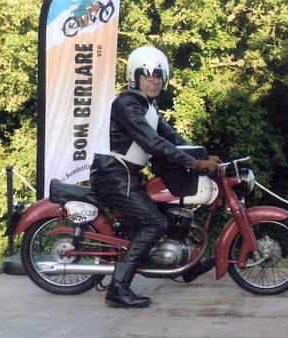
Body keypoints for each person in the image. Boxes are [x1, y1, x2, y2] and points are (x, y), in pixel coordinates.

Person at [90, 46, 224, 309]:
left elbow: (172, 138)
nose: (155, 79)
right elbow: (152, 142)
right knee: (154, 224)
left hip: (126, 175)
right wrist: (194, 163)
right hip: (112, 175)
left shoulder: (149, 107)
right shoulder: (127, 104)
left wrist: (202, 155)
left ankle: (185, 268)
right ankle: (118, 289)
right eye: (149, 74)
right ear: (135, 76)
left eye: (160, 75)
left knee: (174, 212)